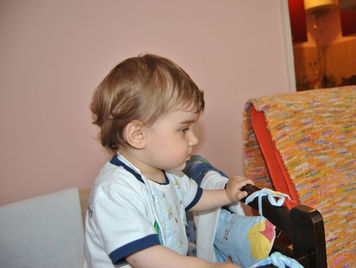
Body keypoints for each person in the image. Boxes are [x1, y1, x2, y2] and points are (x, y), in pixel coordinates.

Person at [85, 54, 253, 268]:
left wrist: (226, 194)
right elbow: (145, 257)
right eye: (184, 129)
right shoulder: (115, 191)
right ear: (138, 135)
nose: (194, 139)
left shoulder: (170, 175)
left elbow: (195, 198)